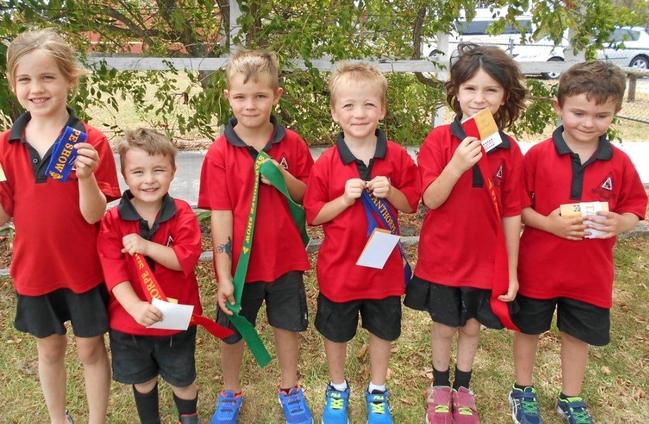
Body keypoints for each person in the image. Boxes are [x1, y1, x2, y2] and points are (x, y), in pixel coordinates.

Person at [509, 61, 648, 424]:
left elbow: (635, 207)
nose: (588, 123)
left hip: (589, 275)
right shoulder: (537, 156)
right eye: (579, 112)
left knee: (576, 336)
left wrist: (621, 221)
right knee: (528, 330)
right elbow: (519, 207)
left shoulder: (618, 162)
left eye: (601, 115)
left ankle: (571, 397)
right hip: (538, 270)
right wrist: (548, 225)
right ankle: (522, 389)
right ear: (558, 107)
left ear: (615, 113)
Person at [0, 29, 120, 424]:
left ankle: (95, 420)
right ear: (12, 83)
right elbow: (5, 211)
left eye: (48, 77)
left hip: (83, 270)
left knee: (90, 350)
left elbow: (94, 215)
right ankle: (58, 419)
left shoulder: (91, 141)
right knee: (49, 350)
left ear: (70, 79)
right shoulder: (6, 144)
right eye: (25, 79)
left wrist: (85, 177)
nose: (36, 88)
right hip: (34, 270)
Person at [403, 43, 527, 424]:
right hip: (443, 258)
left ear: (505, 95)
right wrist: (456, 165)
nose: (479, 98)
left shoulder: (509, 149)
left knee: (472, 326)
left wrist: (511, 270)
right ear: (456, 92)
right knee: (444, 325)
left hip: (484, 261)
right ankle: (440, 388)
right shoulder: (439, 141)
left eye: (490, 90)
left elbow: (511, 214)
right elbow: (431, 199)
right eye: (470, 89)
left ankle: (463, 388)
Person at [198, 50, 314, 424]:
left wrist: (283, 177)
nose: (251, 105)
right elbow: (219, 215)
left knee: (287, 327)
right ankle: (230, 391)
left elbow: (307, 196)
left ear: (276, 96)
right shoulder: (219, 153)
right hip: (240, 267)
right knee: (232, 331)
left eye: (260, 96)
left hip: (284, 260)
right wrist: (224, 273)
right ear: (228, 97)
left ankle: (290, 388)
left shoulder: (292, 144)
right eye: (241, 97)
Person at [303, 63, 420, 424]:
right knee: (336, 332)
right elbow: (313, 215)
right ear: (335, 112)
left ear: (382, 109)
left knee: (382, 329)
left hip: (382, 272)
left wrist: (393, 191)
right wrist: (342, 200)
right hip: (340, 272)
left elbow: (411, 204)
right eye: (349, 105)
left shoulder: (397, 156)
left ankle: (378, 389)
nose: (359, 113)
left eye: (369, 105)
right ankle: (337, 387)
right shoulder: (326, 162)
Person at [97, 128, 203, 424]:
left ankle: (189, 418)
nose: (149, 179)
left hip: (176, 319)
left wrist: (146, 246)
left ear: (173, 172)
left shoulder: (181, 213)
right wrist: (135, 307)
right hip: (130, 323)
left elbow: (186, 260)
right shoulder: (112, 221)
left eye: (159, 170)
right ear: (124, 175)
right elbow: (113, 272)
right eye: (138, 171)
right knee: (142, 381)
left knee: (182, 380)